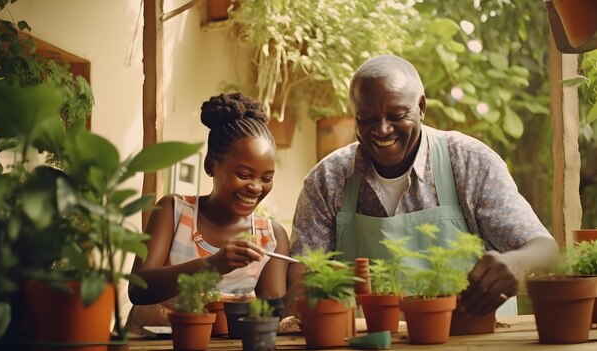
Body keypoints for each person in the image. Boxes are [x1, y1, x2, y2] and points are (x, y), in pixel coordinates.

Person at [288, 55, 558, 316]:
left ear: (422, 107)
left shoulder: (468, 162)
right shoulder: (328, 179)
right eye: (367, 118)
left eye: (396, 115)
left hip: (472, 338)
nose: (381, 129)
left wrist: (515, 263)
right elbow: (302, 279)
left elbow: (544, 249)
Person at [127, 92, 289, 334]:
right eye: (244, 175)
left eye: (266, 178)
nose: (255, 186)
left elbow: (271, 313)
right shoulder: (173, 211)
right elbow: (139, 290)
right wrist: (212, 265)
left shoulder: (270, 237)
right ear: (211, 165)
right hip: (150, 344)